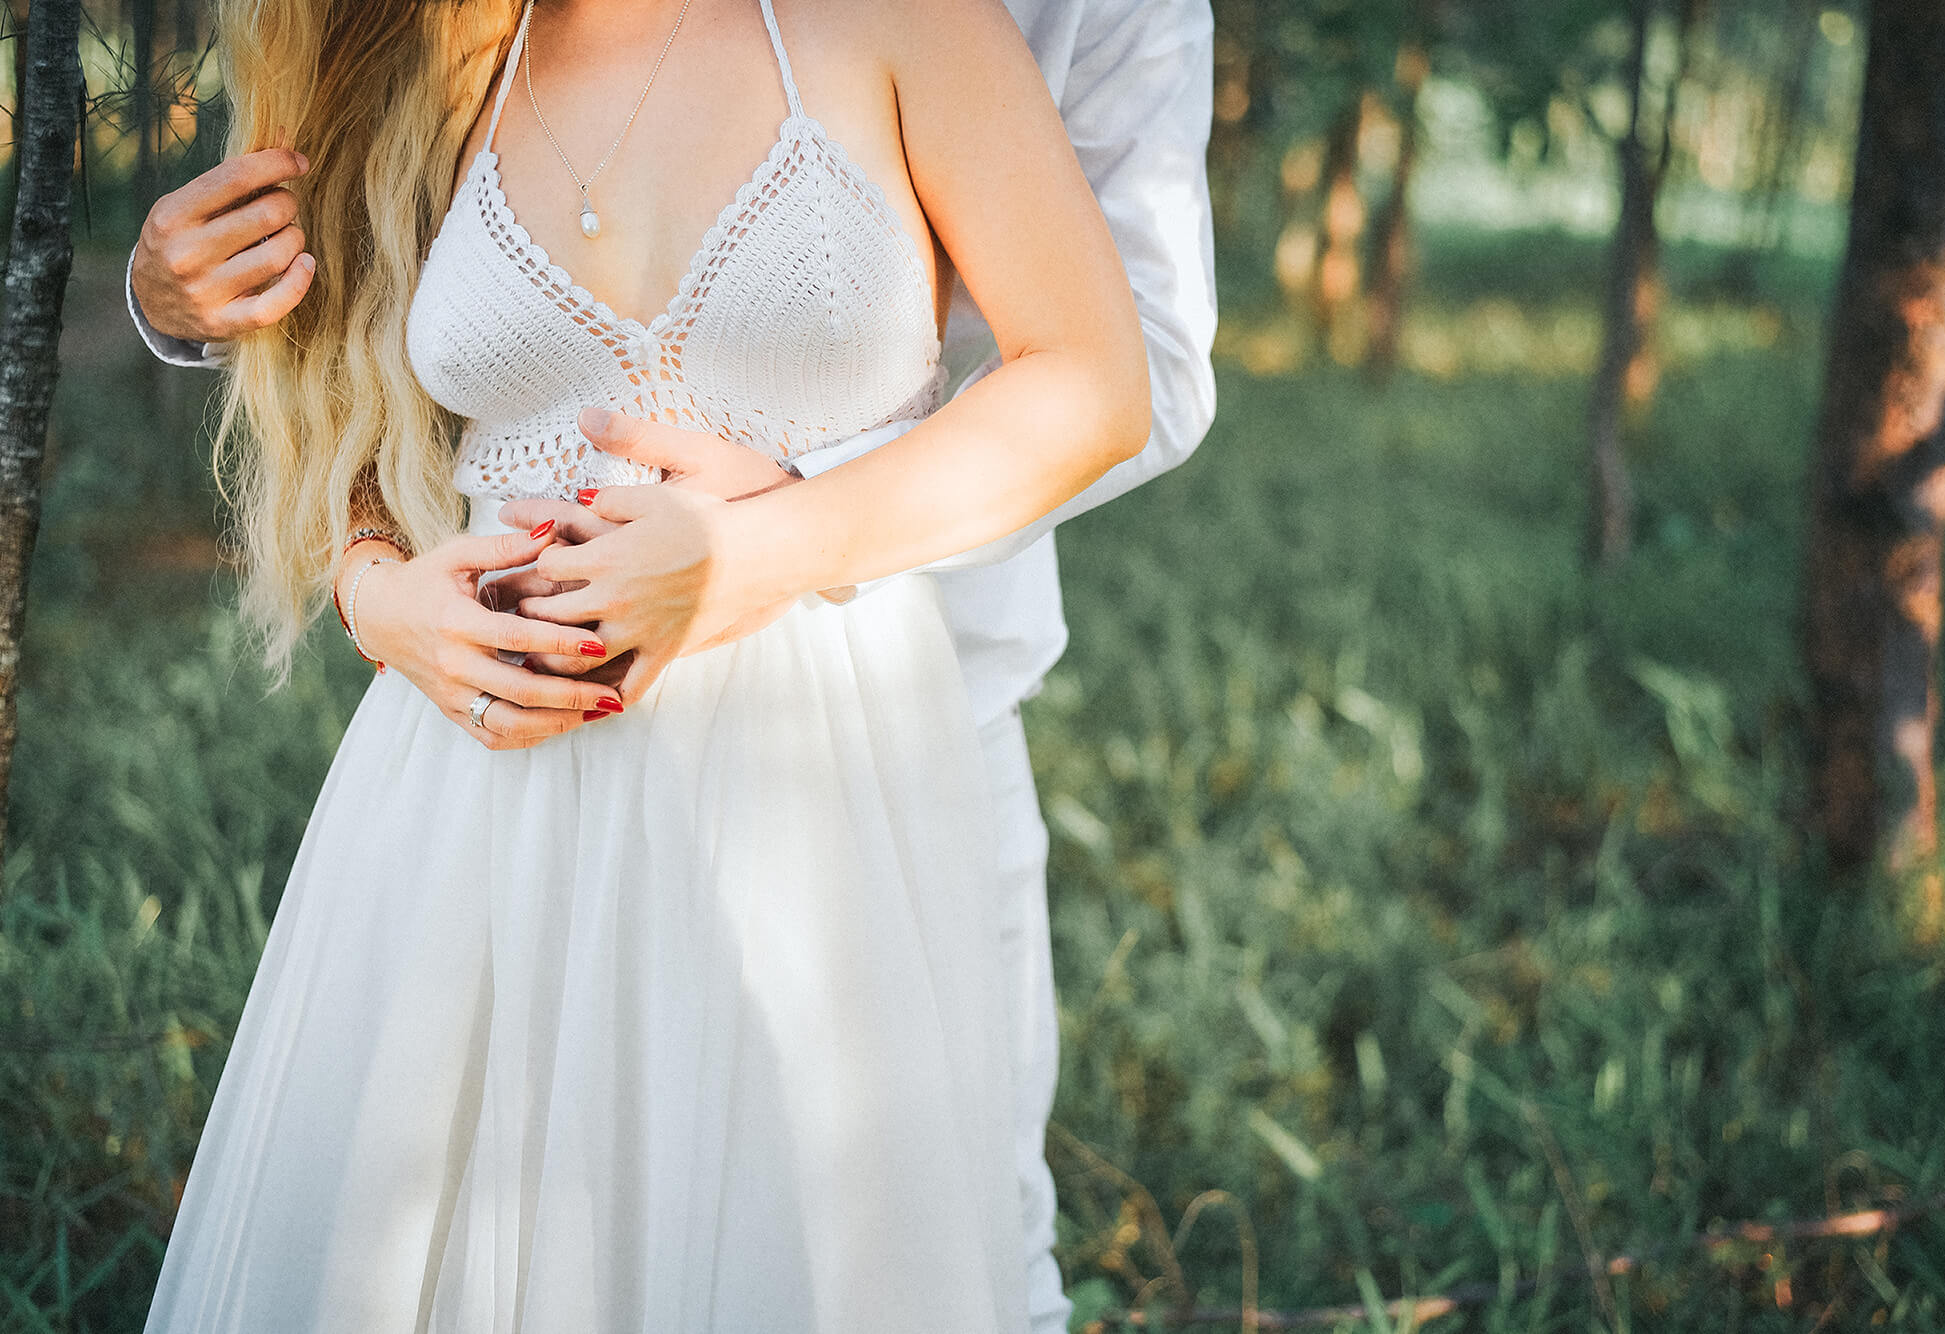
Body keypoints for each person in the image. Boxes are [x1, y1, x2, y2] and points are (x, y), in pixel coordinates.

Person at [128, 0, 1217, 1328]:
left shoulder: (923, 19)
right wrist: (373, 588)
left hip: (830, 756)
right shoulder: (437, 47)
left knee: (879, 1247)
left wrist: (764, 548)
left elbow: (1113, 378)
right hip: (473, 801)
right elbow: (349, 391)